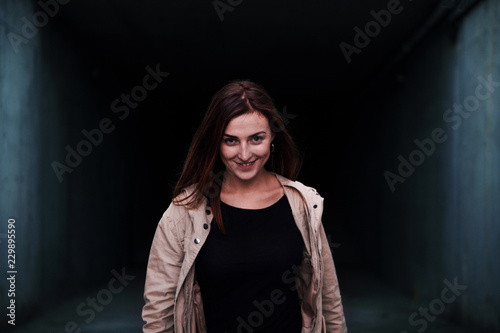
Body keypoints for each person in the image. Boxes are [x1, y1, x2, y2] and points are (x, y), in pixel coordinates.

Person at [142, 80, 347, 333]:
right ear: (215, 143)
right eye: (230, 140)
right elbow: (157, 314)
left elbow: (329, 301)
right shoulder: (184, 211)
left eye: (256, 139)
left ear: (272, 137)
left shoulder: (303, 204)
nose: (244, 153)